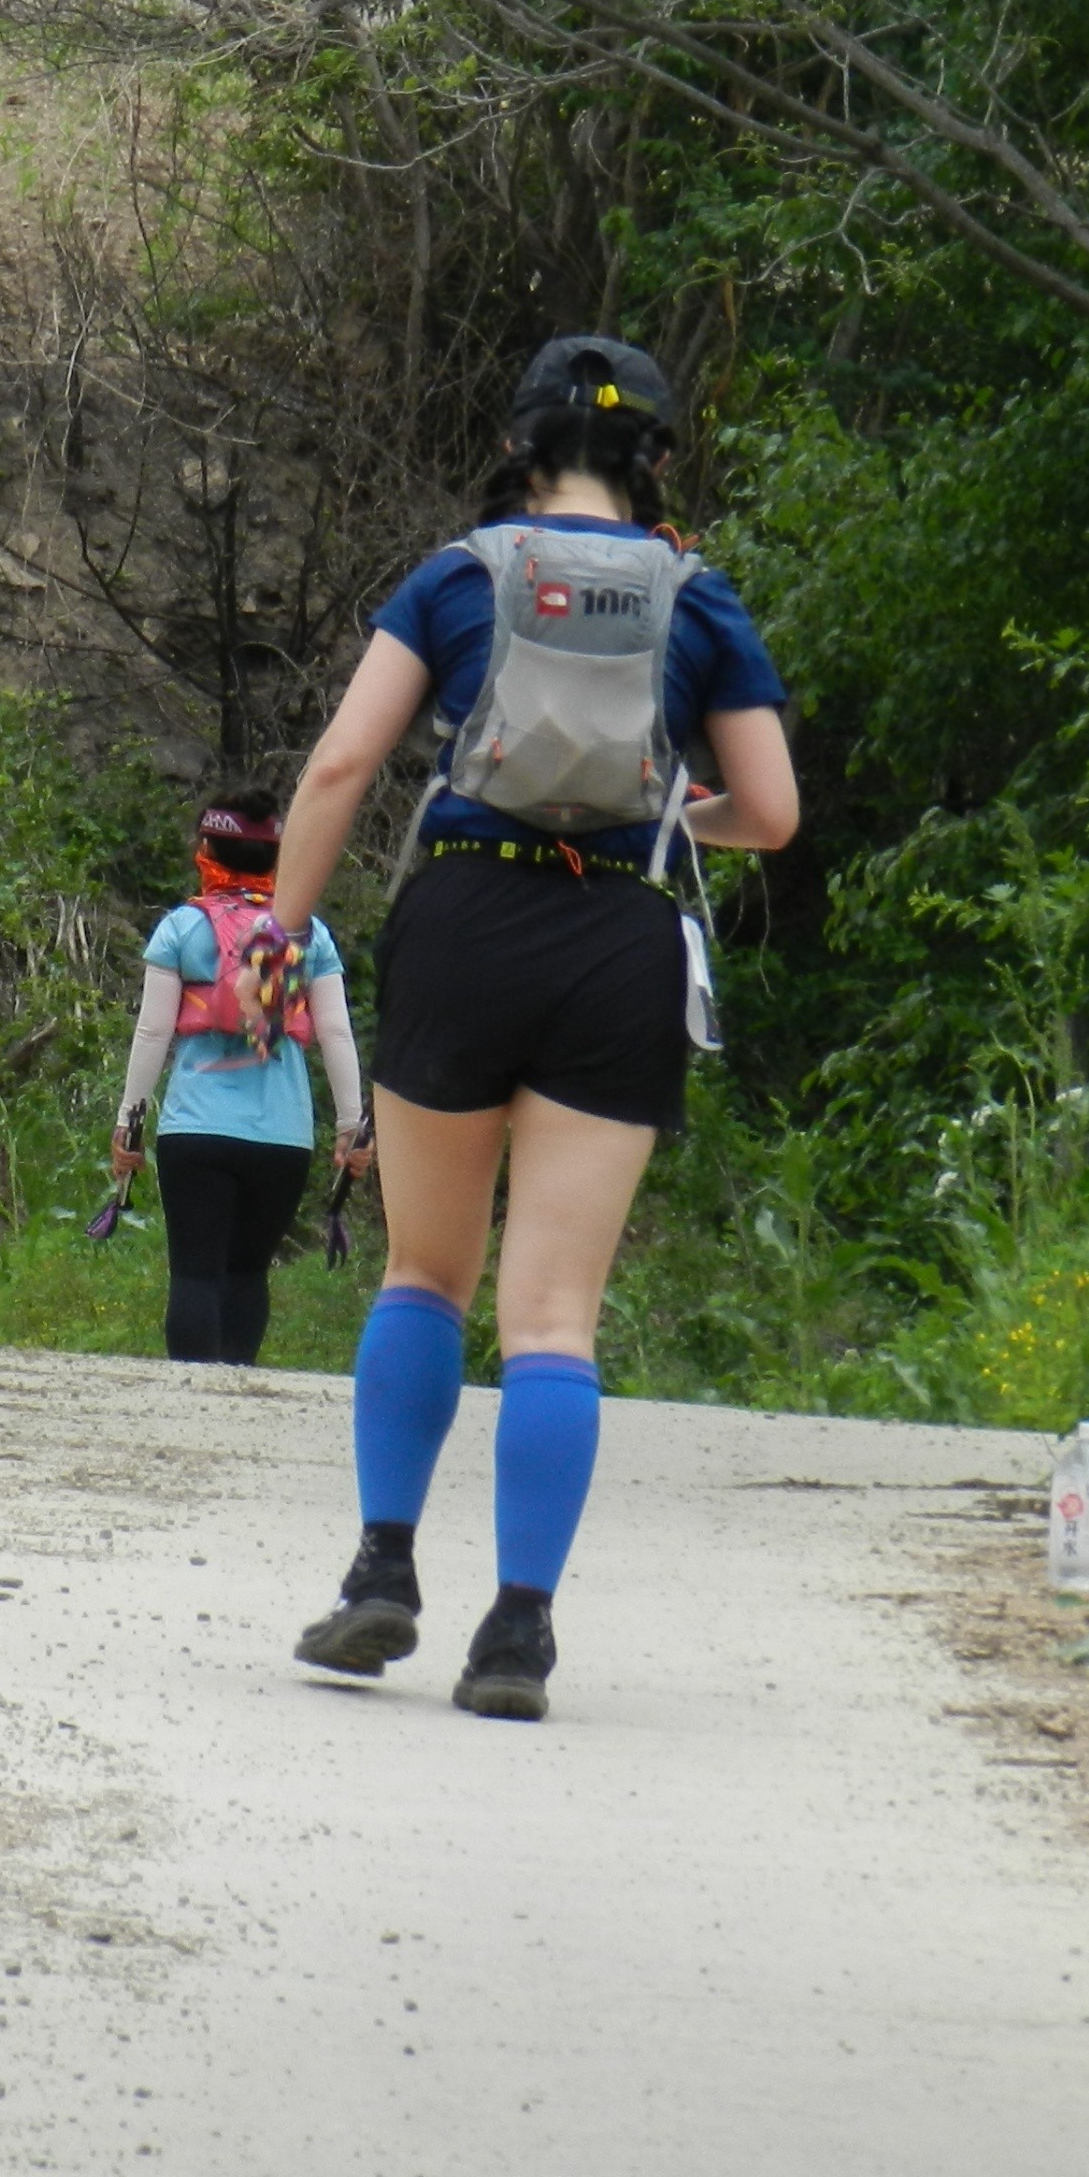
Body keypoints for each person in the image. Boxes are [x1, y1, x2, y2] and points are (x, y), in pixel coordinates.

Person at [260, 336, 802, 1720]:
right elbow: (772, 813)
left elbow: (339, 761)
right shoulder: (697, 598)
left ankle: (381, 1571)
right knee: (553, 1311)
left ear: (517, 447)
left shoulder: (462, 573)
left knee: (422, 1274)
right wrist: (678, 823)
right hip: (617, 939)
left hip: (463, 923)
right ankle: (517, 1636)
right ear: (656, 461)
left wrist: (276, 931)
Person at [107, 790, 371, 1365]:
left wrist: (129, 1120)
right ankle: (238, 1399)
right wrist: (353, 1126)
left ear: (207, 849)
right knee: (249, 1272)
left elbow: (153, 1035)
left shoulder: (182, 927)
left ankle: (190, 1402)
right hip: (283, 1133)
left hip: (195, 1129)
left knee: (196, 1274)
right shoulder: (309, 936)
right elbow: (336, 1034)